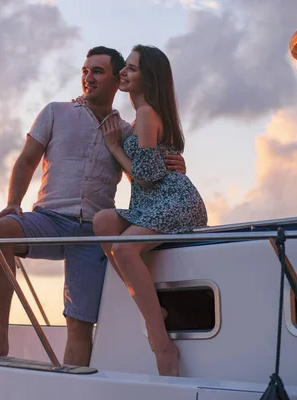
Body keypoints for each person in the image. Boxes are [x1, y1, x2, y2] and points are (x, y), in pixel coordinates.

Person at [0, 46, 186, 367]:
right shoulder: (56, 112)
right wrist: (13, 203)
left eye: (97, 71)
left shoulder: (125, 130)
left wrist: (176, 163)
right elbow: (27, 161)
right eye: (84, 71)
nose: (88, 78)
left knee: (79, 330)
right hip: (48, 221)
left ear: (115, 80)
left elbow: (145, 169)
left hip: (91, 235)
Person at [92, 45, 207, 376]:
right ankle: (154, 309)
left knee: (123, 249)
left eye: (131, 68)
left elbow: (146, 176)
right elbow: (145, 174)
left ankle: (161, 343)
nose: (122, 73)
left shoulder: (145, 113)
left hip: (175, 200)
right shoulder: (142, 115)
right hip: (152, 201)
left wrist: (114, 146)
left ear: (149, 77)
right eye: (123, 68)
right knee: (103, 221)